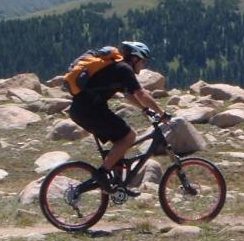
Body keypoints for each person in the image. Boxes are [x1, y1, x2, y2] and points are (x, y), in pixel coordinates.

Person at [66, 41, 170, 186]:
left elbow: (128, 94)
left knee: (121, 139)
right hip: (89, 110)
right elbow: (140, 93)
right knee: (130, 136)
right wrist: (162, 112)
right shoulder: (124, 69)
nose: (144, 65)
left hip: (83, 109)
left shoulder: (117, 68)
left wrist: (145, 110)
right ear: (135, 58)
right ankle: (102, 175)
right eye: (143, 61)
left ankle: (117, 184)